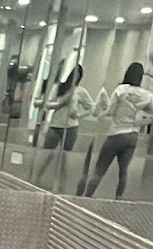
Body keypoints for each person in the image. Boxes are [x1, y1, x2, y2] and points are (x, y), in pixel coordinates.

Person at [84, 61, 153, 198]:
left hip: (116, 134)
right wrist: (140, 122)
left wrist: (100, 114)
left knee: (99, 170)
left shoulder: (121, 90)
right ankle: (118, 199)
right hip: (132, 136)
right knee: (123, 172)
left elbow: (110, 111)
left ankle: (87, 197)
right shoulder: (147, 95)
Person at [34, 65, 97, 189]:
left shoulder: (80, 91)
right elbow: (47, 104)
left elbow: (91, 107)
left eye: (78, 76)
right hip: (55, 125)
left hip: (70, 127)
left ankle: (61, 184)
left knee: (64, 158)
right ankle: (37, 178)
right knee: (47, 154)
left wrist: (78, 115)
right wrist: (60, 104)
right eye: (74, 74)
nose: (75, 77)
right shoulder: (59, 87)